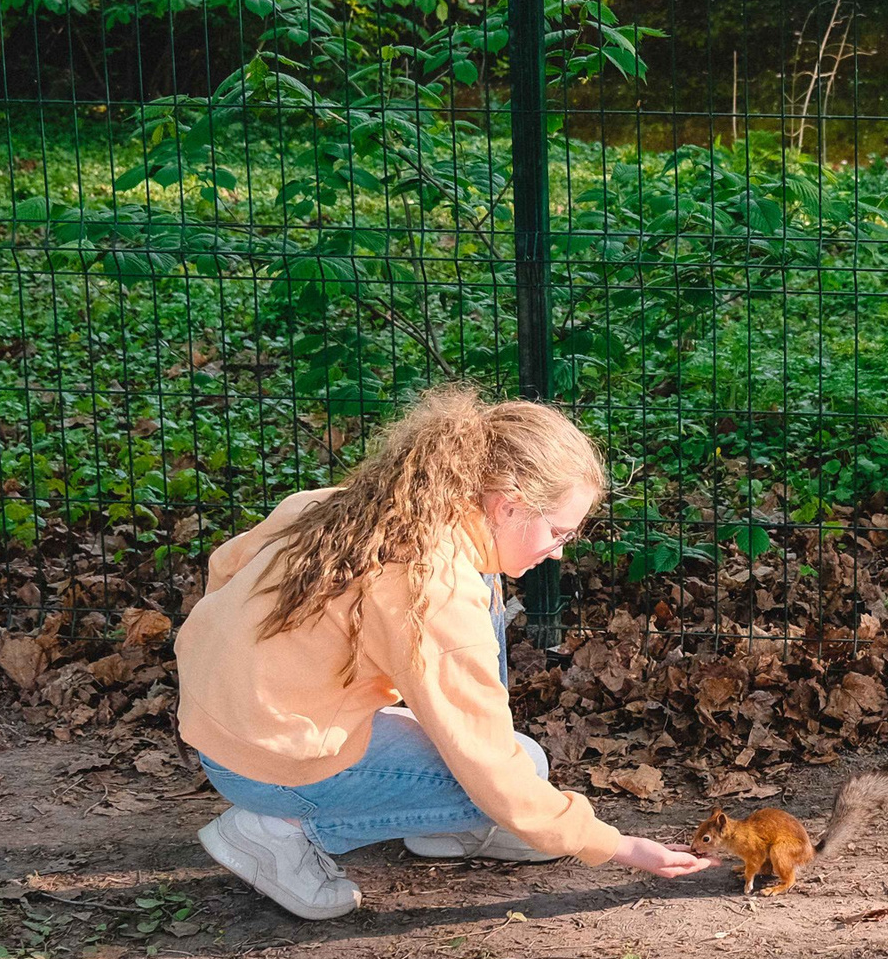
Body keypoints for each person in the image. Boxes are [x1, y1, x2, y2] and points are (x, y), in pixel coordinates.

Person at [174, 384, 711, 919]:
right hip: (267, 762)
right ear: (508, 505)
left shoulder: (341, 508)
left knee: (497, 682)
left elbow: (224, 568)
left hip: (219, 723)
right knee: (523, 763)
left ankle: (454, 825)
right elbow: (486, 758)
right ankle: (275, 831)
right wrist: (617, 846)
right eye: (557, 530)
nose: (560, 550)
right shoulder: (435, 588)